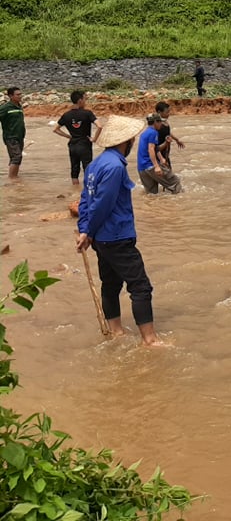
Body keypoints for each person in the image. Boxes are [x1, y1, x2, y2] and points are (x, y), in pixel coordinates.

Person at [76, 115, 163, 346]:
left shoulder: (95, 164)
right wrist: (89, 231)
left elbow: (85, 200)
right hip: (116, 236)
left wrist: (85, 230)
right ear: (127, 142)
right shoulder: (115, 167)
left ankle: (116, 331)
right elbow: (103, 203)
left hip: (101, 240)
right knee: (140, 286)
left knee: (111, 284)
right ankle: (150, 340)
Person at [54, 90, 102, 185]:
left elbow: (56, 129)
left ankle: (75, 192)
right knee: (88, 169)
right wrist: (94, 139)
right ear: (80, 100)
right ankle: (87, 192)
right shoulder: (87, 113)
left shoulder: (66, 115)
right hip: (84, 145)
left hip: (72, 145)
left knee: (74, 170)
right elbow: (100, 126)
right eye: (85, 99)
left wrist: (69, 136)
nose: (85, 102)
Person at [137, 114, 183, 194]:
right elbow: (151, 149)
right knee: (175, 183)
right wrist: (157, 166)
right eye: (160, 122)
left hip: (141, 168)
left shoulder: (145, 133)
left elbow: (155, 148)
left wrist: (161, 159)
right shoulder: (153, 132)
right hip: (150, 165)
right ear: (155, 122)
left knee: (152, 194)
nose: (161, 124)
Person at [0, 87, 26, 179]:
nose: (20, 96)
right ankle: (12, 179)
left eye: (20, 94)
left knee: (16, 158)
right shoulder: (5, 108)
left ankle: (14, 177)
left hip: (20, 136)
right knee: (16, 157)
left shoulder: (19, 106)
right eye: (18, 95)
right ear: (11, 96)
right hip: (11, 137)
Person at [155, 102, 185, 169]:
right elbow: (155, 148)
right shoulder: (158, 126)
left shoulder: (165, 122)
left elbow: (168, 132)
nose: (169, 114)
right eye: (167, 112)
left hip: (165, 153)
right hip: (160, 156)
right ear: (159, 112)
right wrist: (166, 143)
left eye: (169, 112)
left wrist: (177, 139)